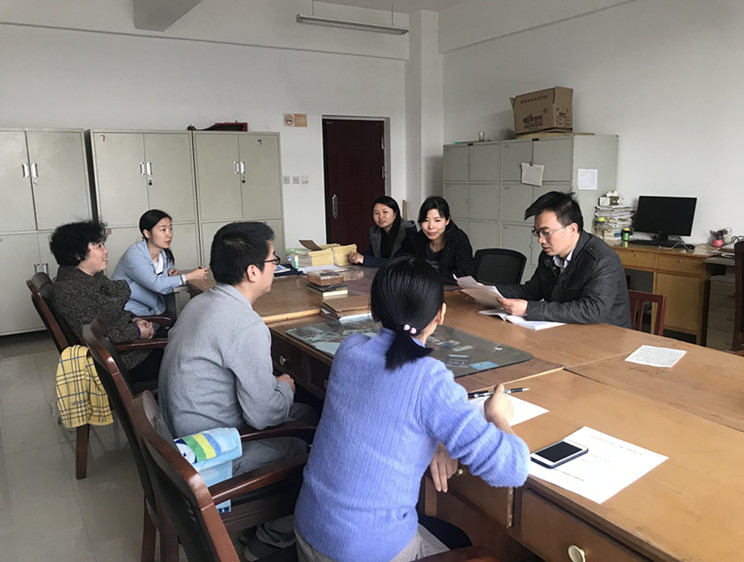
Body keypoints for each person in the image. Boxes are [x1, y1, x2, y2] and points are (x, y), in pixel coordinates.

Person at [294, 257, 530, 562]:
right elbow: (512, 468)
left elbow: (386, 410)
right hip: (365, 552)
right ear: (441, 314)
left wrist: (432, 439)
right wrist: (499, 416)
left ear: (373, 310)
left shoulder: (349, 350)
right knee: (466, 545)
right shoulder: (429, 380)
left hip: (309, 532)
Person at [158, 221, 316, 558]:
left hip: (178, 437)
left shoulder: (200, 303)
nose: (275, 268)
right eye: (273, 261)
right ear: (252, 271)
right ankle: (269, 541)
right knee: (302, 446)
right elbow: (265, 416)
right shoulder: (245, 325)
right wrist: (285, 387)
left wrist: (282, 391)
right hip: (208, 454)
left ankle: (263, 522)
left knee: (309, 414)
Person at [494, 191, 631, 327]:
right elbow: (531, 291)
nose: (540, 240)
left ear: (572, 229)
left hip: (604, 334)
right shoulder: (548, 255)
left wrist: (529, 309)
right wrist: (489, 291)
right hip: (564, 328)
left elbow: (592, 310)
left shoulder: (602, 259)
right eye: (537, 232)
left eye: (546, 233)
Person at [49, 220, 162, 384]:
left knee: (179, 335)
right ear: (78, 255)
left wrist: (135, 319)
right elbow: (94, 337)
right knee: (184, 350)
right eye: (99, 246)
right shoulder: (70, 291)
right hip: (124, 363)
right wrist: (137, 332)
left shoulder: (88, 278)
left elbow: (113, 313)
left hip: (129, 348)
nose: (106, 251)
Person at [112, 209, 207, 316]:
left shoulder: (164, 254)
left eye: (170, 228)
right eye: (163, 230)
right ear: (147, 233)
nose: (169, 234)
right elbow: (156, 284)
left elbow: (164, 283)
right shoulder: (134, 255)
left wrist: (171, 276)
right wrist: (188, 276)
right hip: (128, 312)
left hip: (153, 309)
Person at [412, 196, 474, 285]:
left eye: (437, 220)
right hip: (423, 288)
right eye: (426, 220)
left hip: (451, 289)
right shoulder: (418, 238)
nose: (431, 226)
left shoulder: (458, 239)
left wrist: (429, 277)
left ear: (447, 221)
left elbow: (465, 274)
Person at [348, 196, 416, 267]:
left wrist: (363, 259)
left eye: (385, 212)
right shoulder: (376, 232)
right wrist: (356, 257)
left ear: (395, 214)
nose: (380, 217)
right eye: (376, 213)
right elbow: (369, 254)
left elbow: (400, 262)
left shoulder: (407, 231)